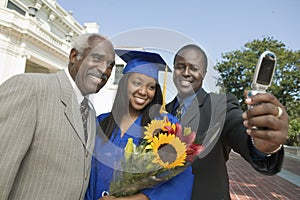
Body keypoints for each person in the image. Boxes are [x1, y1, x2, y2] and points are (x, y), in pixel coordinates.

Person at [0, 33, 115, 199]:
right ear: (74, 56)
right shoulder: (30, 88)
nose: (104, 70)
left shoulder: (90, 113)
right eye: (97, 58)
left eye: (110, 65)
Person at [166, 44, 289, 199]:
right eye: (180, 67)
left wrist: (262, 144)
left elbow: (236, 127)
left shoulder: (220, 105)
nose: (186, 73)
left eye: (193, 68)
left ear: (203, 73)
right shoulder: (163, 111)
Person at [85, 50, 194, 200]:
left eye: (151, 87)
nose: (143, 92)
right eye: (137, 83)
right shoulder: (100, 123)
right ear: (124, 84)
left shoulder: (165, 126)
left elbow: (181, 180)